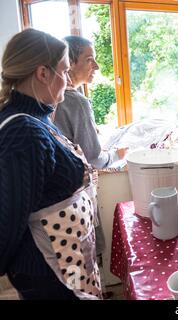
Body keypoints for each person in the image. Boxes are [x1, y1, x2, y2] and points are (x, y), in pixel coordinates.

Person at [0, 29, 102, 300]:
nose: (68, 80)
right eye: (65, 71)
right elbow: (9, 220)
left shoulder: (38, 117)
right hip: (47, 273)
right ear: (43, 74)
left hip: (68, 259)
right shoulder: (23, 132)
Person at [53, 35, 127, 169]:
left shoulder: (54, 95)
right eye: (89, 60)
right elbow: (94, 160)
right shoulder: (77, 102)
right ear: (69, 63)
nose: (97, 66)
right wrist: (117, 155)